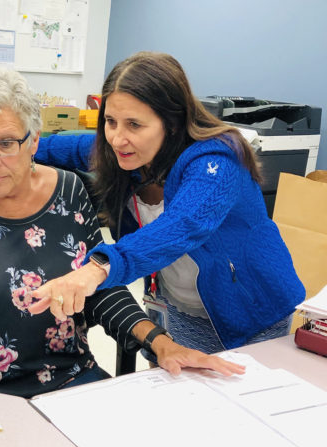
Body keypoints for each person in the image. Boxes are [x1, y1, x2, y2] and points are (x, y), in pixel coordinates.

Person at [0, 68, 244, 398]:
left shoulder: (68, 192)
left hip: (70, 380)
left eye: (6, 144)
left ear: (33, 141)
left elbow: (100, 292)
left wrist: (160, 342)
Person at [29, 51, 305, 359]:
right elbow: (54, 146)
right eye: (110, 121)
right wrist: (12, 145)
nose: (118, 139)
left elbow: (181, 226)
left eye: (134, 124)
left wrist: (98, 269)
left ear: (171, 123)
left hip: (252, 312)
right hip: (179, 309)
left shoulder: (218, 159)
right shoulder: (124, 153)